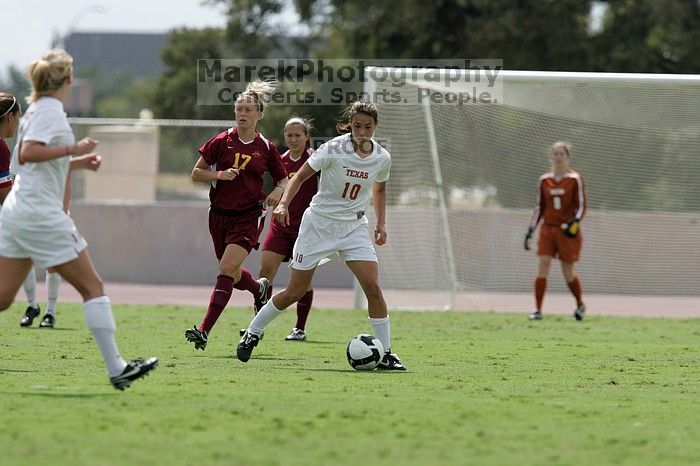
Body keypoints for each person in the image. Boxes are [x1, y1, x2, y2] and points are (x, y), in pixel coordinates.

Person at [0, 50, 158, 390]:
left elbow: (24, 166)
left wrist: (77, 162)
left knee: (2, 298)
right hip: (40, 213)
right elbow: (29, 154)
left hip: (18, 209)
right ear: (67, 80)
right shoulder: (51, 113)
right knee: (93, 287)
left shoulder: (33, 113)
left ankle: (117, 367)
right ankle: (116, 368)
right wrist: (73, 150)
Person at [237, 100, 407, 370]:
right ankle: (252, 332)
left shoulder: (381, 157)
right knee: (295, 291)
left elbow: (380, 190)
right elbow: (300, 177)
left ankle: (386, 353)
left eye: (368, 127)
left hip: (353, 227)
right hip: (319, 224)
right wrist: (283, 203)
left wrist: (381, 223)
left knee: (373, 287)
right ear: (350, 124)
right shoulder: (333, 148)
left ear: (375, 127)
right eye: (357, 126)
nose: (362, 132)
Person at [184, 81, 289, 351]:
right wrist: (218, 174)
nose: (242, 113)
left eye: (248, 109)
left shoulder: (265, 146)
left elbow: (283, 178)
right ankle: (259, 289)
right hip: (218, 215)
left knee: (226, 269)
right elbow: (196, 173)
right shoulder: (221, 141)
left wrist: (278, 191)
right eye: (239, 108)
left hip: (248, 215)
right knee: (229, 271)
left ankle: (204, 330)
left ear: (259, 114)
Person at [2, 93, 63, 329]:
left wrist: (61, 208)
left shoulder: (56, 147)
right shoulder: (16, 149)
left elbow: (63, 181)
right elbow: (11, 183)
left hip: (47, 210)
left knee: (53, 260)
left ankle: (50, 311)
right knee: (24, 259)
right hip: (23, 213)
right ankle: (32, 305)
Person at [254, 116, 318, 341]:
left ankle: (299, 328)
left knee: (302, 282)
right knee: (265, 273)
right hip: (280, 225)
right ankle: (257, 326)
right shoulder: (279, 161)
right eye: (289, 135)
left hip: (305, 229)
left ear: (307, 137)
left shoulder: (315, 160)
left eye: (298, 135)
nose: (293, 139)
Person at [524, 141, 586, 321]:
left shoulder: (574, 179)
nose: (558, 157)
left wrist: (573, 223)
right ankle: (538, 310)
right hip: (548, 229)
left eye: (562, 154)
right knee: (543, 264)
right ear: (550, 156)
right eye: (555, 154)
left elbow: (581, 206)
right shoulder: (545, 180)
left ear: (567, 157)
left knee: (567, 270)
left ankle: (579, 305)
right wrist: (530, 231)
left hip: (566, 231)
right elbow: (539, 207)